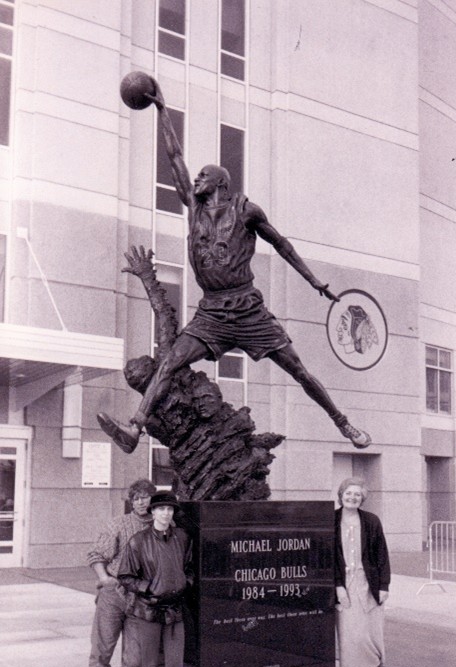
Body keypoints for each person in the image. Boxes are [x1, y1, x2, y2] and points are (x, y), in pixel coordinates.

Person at [97, 77, 371, 453]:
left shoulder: (245, 210)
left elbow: (282, 245)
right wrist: (162, 111)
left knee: (298, 370)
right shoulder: (194, 208)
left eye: (203, 175)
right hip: (212, 311)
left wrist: (314, 282)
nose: (196, 178)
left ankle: (344, 424)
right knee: (169, 362)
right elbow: (176, 158)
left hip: (247, 308)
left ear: (221, 183)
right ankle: (135, 429)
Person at [117, 491, 193, 667]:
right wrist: (148, 589)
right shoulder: (138, 541)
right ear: (152, 512)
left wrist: (185, 583)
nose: (166, 513)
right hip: (148, 611)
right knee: (149, 665)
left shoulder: (181, 537)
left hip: (175, 609)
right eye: (161, 509)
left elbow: (189, 567)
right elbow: (126, 576)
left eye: (170, 509)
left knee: (175, 666)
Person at [87, 478, 156, 667]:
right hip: (114, 595)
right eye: (136, 498)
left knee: (135, 659)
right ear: (131, 500)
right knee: (102, 651)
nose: (141, 502)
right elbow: (96, 554)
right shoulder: (119, 524)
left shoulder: (161, 526)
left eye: (146, 497)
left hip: (141, 599)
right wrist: (104, 578)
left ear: (153, 499)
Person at [334, 477, 396, 667]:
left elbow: (382, 554)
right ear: (341, 495)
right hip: (345, 588)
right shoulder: (331, 520)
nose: (352, 498)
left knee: (372, 636)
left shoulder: (371, 521)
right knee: (355, 637)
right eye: (348, 493)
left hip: (368, 585)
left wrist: (384, 586)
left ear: (362, 499)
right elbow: (328, 558)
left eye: (357, 495)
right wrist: (338, 587)